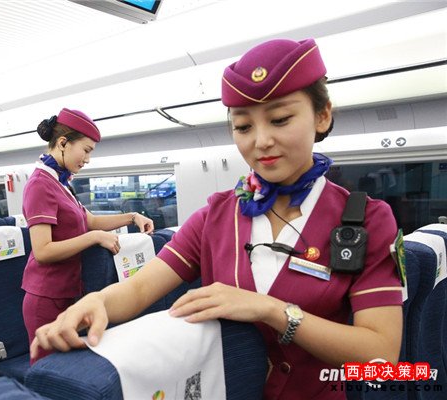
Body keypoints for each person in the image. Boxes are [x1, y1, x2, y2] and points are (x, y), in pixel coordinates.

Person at [30, 40, 404, 398]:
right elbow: (140, 289)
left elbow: (382, 356)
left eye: (280, 119)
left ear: (322, 116)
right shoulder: (216, 216)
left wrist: (272, 311)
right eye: (243, 127)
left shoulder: (366, 221)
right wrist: (97, 301)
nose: (261, 141)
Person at [22, 107, 154, 363]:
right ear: (63, 143)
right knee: (50, 372)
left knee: (72, 370)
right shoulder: (40, 184)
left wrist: (132, 217)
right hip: (46, 297)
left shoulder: (60, 182)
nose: (88, 159)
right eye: (86, 150)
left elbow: (89, 221)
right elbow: (43, 250)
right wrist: (94, 238)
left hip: (69, 292)